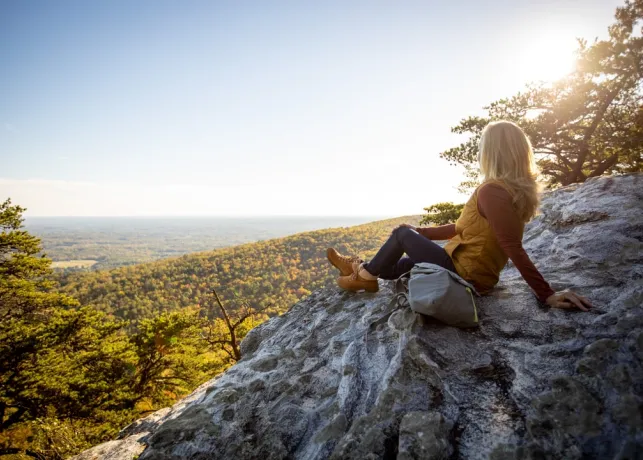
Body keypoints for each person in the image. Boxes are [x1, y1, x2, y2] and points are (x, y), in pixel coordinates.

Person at [327, 121, 592, 311]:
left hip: (465, 274)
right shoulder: (510, 190)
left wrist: (546, 294)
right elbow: (463, 227)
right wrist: (423, 233)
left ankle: (363, 275)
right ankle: (361, 269)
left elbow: (512, 246)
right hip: (469, 271)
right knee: (403, 265)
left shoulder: (492, 192)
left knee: (400, 234)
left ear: (492, 153)